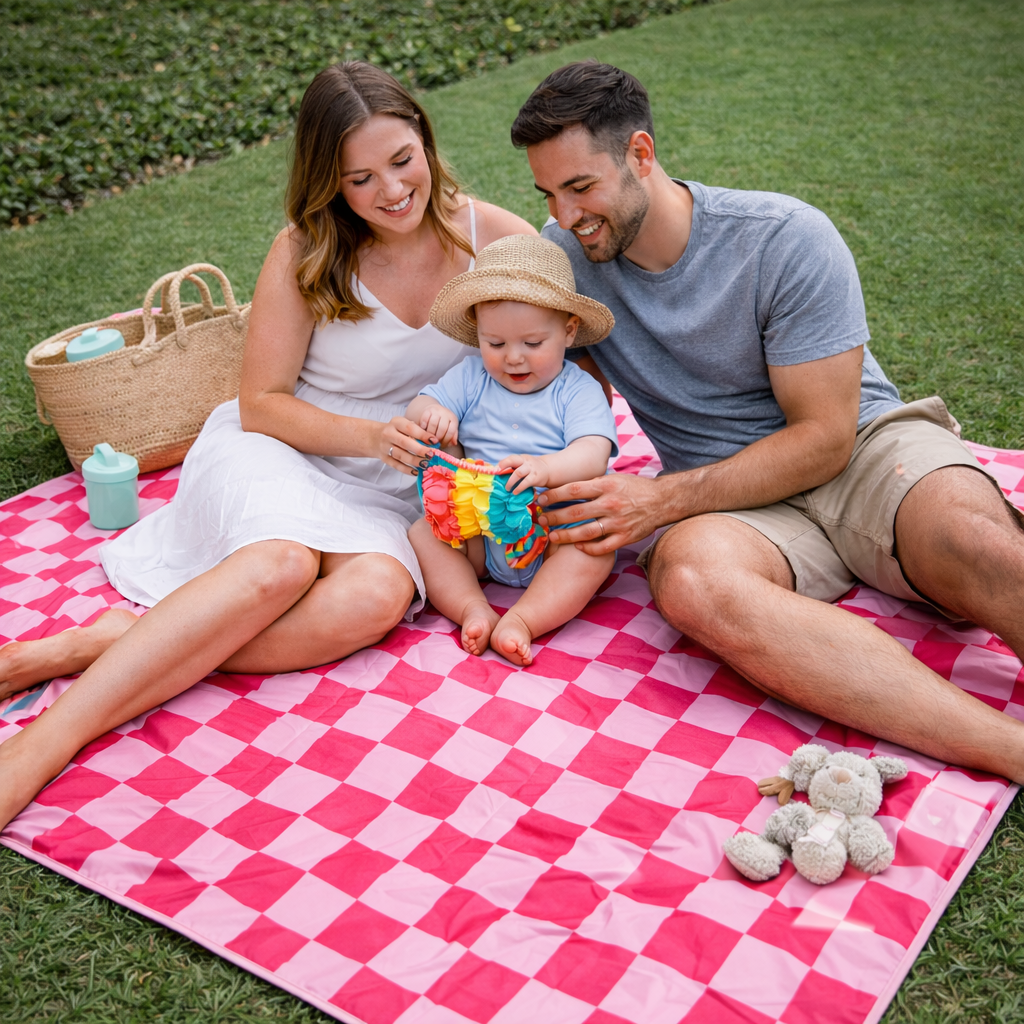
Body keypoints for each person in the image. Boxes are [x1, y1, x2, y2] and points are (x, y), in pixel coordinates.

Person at [0, 61, 534, 829]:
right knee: (280, 566)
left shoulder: (493, 238)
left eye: (401, 160)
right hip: (285, 445)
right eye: (359, 178)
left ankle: (113, 643)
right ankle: (40, 747)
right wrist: (368, 434)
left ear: (426, 141)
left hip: (397, 481)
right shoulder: (308, 249)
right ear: (329, 182)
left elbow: (565, 337)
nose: (389, 191)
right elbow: (261, 404)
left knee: (375, 599)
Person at [511, 61, 1024, 782]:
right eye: (548, 194)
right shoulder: (565, 260)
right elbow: (539, 376)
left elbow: (825, 438)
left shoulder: (785, 237)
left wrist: (660, 499)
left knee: (975, 539)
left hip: (863, 450)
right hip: (732, 505)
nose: (565, 215)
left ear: (641, 154)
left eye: (580, 186)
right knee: (692, 584)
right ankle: (1007, 752)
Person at [408, 234, 619, 665]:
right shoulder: (470, 377)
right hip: (480, 534)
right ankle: (472, 607)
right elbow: (421, 402)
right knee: (421, 534)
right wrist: (433, 414)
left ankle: (524, 619)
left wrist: (546, 468)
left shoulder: (576, 389)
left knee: (596, 545)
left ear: (569, 330)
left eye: (532, 344)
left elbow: (594, 451)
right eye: (496, 344)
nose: (513, 359)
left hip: (552, 529)